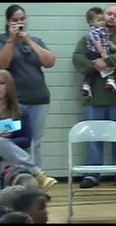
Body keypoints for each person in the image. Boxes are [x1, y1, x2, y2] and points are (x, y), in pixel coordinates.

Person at [72, 4, 116, 189]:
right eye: (109, 14)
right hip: (93, 99)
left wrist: (105, 60)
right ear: (102, 15)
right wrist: (95, 65)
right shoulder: (88, 37)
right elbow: (78, 59)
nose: (111, 18)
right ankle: (92, 174)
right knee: (93, 138)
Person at [0, 4, 56, 167]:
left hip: (39, 99)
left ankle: (38, 179)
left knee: (35, 142)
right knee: (12, 139)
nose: (19, 23)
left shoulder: (36, 41)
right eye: (15, 20)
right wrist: (12, 39)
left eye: (22, 19)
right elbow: (2, 65)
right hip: (16, 102)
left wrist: (28, 41)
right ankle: (18, 176)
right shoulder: (3, 40)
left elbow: (49, 62)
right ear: (8, 22)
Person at [0, 69, 56, 192]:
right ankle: (37, 172)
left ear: (9, 86)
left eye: (2, 83)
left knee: (2, 145)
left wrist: (7, 143)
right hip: (13, 158)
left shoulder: (19, 111)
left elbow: (26, 140)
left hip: (11, 158)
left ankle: (33, 193)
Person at [81, 7, 116, 99]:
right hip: (95, 53)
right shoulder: (94, 32)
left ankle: (86, 86)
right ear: (91, 22)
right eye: (99, 20)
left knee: (93, 73)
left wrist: (112, 45)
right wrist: (102, 53)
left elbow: (105, 39)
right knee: (107, 64)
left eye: (102, 20)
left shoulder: (103, 30)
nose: (102, 22)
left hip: (99, 52)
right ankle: (110, 80)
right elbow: (97, 43)